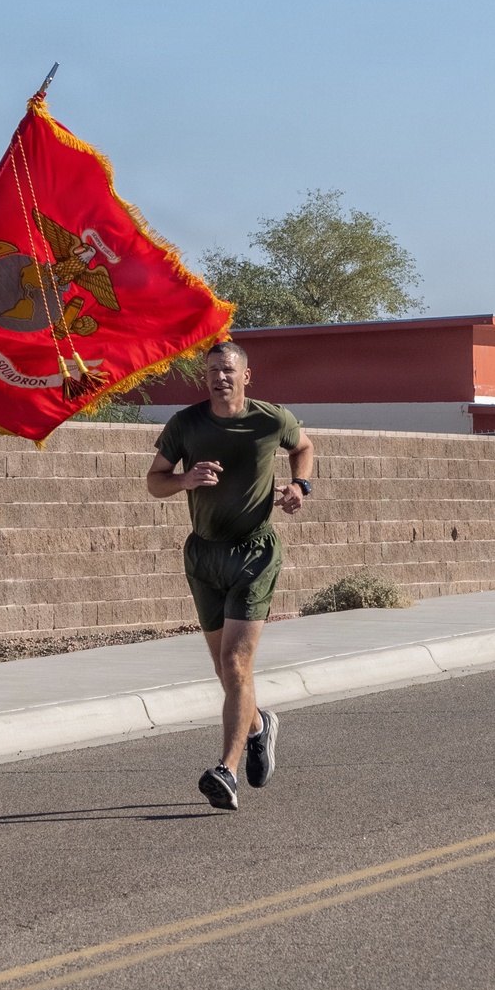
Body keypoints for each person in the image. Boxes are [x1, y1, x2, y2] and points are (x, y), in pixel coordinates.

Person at [146, 341, 314, 812]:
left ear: (246, 376)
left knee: (237, 664)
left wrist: (300, 485)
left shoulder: (271, 419)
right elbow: (155, 480)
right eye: (212, 371)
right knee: (225, 669)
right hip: (204, 554)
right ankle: (259, 726)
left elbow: (303, 446)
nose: (219, 377)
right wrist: (184, 480)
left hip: (254, 552)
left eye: (227, 370)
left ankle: (227, 770)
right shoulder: (185, 424)